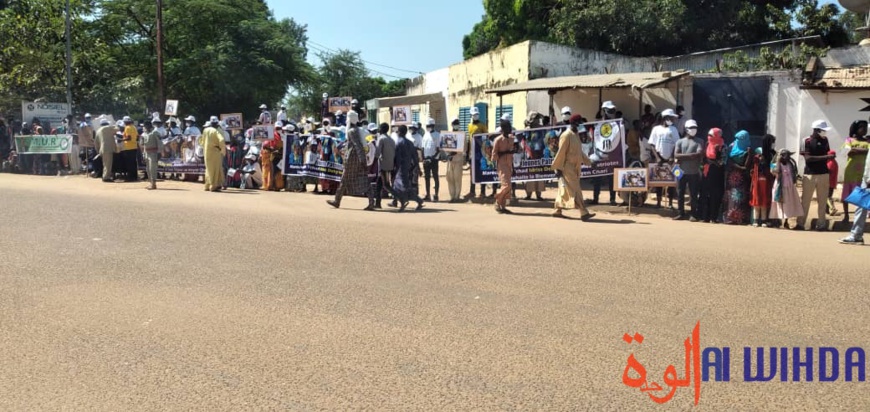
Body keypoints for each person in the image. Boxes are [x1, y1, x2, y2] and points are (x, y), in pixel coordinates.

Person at [327, 111, 375, 211]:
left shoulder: (351, 131)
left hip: (353, 158)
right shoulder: (357, 130)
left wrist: (362, 159)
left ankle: (337, 201)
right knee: (362, 178)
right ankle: (371, 203)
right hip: (357, 157)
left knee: (345, 179)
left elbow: (357, 145)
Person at [551, 114, 595, 221]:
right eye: (578, 123)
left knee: (564, 188)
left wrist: (589, 162)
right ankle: (583, 212)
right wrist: (557, 168)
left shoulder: (576, 135)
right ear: (572, 123)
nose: (579, 125)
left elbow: (580, 152)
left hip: (575, 167)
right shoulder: (566, 135)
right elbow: (561, 152)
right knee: (576, 189)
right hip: (567, 167)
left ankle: (558, 210)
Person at [797, 120, 834, 231]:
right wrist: (826, 157)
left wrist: (829, 158)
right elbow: (808, 159)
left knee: (822, 200)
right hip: (810, 174)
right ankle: (800, 223)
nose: (825, 133)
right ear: (817, 130)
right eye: (823, 131)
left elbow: (827, 153)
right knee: (805, 200)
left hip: (824, 173)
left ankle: (821, 224)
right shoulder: (806, 141)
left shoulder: (825, 140)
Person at [839, 139, 870, 245]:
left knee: (861, 208)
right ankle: (856, 235)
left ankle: (856, 235)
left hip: (868, 179)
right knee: (861, 207)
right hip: (866, 178)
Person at [649, 108, 680, 208]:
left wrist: (672, 156)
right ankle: (658, 202)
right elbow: (652, 145)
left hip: (670, 159)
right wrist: (657, 157)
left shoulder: (674, 129)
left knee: (671, 181)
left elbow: (676, 144)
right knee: (659, 181)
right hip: (659, 159)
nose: (672, 120)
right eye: (671, 118)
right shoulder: (656, 129)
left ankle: (670, 203)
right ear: (665, 118)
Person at [673, 119, 703, 221]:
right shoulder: (680, 142)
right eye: (691, 128)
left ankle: (693, 214)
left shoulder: (700, 141)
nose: (693, 130)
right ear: (686, 129)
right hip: (680, 172)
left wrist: (683, 156)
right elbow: (676, 155)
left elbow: (699, 154)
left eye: (695, 128)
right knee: (680, 193)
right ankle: (680, 213)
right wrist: (691, 155)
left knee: (693, 194)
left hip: (694, 172)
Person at [391, 124, 425, 212]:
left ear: (399, 132)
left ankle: (409, 202)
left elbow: (396, 157)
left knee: (402, 187)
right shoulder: (410, 143)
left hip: (400, 167)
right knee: (398, 186)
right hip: (407, 166)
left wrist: (394, 167)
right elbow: (415, 156)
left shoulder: (399, 142)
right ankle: (398, 201)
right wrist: (416, 167)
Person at [722, 130, 752, 225]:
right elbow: (729, 161)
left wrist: (749, 154)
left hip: (743, 178)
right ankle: (730, 217)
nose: (738, 140)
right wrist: (740, 167)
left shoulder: (748, 149)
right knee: (731, 196)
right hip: (732, 177)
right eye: (737, 138)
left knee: (740, 197)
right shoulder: (732, 146)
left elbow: (747, 165)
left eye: (741, 139)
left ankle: (741, 218)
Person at [842, 120, 869, 222]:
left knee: (864, 193)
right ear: (856, 128)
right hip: (851, 171)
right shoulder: (849, 140)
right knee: (847, 194)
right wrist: (864, 151)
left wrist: (856, 150)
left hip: (864, 171)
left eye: (866, 127)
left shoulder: (868, 141)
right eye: (862, 127)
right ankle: (846, 215)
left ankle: (863, 216)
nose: (864, 129)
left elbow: (855, 151)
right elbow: (849, 152)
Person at [591, 102, 617, 205]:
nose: (611, 113)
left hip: (611, 155)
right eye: (609, 110)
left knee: (612, 178)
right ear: (604, 111)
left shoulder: (617, 124)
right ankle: (595, 199)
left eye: (613, 111)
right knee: (597, 178)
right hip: (599, 154)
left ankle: (612, 199)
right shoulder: (597, 124)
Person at [769, 149, 803, 228]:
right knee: (779, 204)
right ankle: (777, 221)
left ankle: (786, 221)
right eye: (786, 155)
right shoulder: (775, 164)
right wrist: (778, 161)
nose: (788, 157)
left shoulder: (790, 164)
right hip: (780, 187)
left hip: (789, 187)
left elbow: (794, 173)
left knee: (788, 204)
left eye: (789, 155)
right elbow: (774, 171)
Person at [700, 128, 726, 223]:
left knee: (715, 196)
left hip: (717, 174)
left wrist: (717, 153)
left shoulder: (723, 146)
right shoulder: (707, 144)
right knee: (705, 194)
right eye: (709, 135)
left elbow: (721, 162)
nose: (709, 137)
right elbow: (704, 158)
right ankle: (705, 216)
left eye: (711, 136)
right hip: (707, 173)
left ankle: (713, 217)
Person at [749, 134, 776, 227]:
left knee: (765, 198)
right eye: (772, 142)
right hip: (758, 180)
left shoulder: (772, 153)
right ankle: (756, 220)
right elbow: (753, 167)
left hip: (768, 179)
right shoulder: (758, 155)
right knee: (757, 198)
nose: (773, 144)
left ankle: (764, 220)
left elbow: (773, 166)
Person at [491, 119, 515, 214]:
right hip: (502, 164)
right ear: (504, 129)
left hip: (509, 164)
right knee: (506, 185)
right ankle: (497, 200)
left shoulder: (512, 138)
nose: (510, 129)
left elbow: (514, 151)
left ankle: (503, 206)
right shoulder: (498, 140)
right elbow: (494, 154)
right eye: (508, 127)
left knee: (509, 187)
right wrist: (504, 153)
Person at [465, 107, 488, 200]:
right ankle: (472, 191)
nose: (475, 116)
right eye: (474, 114)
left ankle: (483, 192)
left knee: (482, 171)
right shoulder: (469, 125)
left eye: (476, 114)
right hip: (472, 153)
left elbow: (485, 138)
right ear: (471, 115)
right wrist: (467, 153)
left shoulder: (483, 125)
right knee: (472, 173)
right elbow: (469, 139)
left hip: (480, 153)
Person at [523, 111, 546, 201]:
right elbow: (524, 140)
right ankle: (528, 194)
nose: (537, 120)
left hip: (539, 154)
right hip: (530, 155)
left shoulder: (541, 129)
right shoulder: (527, 129)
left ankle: (538, 195)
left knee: (539, 174)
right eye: (535, 118)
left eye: (538, 118)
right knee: (530, 175)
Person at [199, 116, 226, 192]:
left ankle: (207, 185)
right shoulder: (216, 131)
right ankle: (213, 186)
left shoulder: (205, 130)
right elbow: (221, 139)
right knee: (215, 169)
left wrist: (205, 145)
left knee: (208, 168)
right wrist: (222, 149)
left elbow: (201, 140)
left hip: (207, 151)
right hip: (215, 151)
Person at [374, 122, 396, 209]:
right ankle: (396, 198)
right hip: (390, 164)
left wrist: (374, 163)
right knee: (384, 184)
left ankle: (378, 202)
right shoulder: (391, 139)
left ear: (381, 129)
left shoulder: (381, 139)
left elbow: (377, 153)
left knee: (382, 184)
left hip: (383, 165)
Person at [421, 118, 441, 202]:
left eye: (429, 126)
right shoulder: (425, 134)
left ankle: (436, 194)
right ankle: (427, 194)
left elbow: (438, 149)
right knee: (427, 177)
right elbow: (423, 147)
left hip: (434, 159)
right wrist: (423, 158)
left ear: (433, 126)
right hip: (426, 159)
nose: (428, 127)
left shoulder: (437, 135)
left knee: (435, 176)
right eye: (427, 126)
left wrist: (432, 158)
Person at [446, 117, 465, 203]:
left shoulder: (462, 134)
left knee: (457, 178)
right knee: (450, 178)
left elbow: (464, 148)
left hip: (458, 159)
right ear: (452, 125)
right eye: (455, 123)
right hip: (450, 160)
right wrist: (448, 154)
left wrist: (456, 153)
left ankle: (457, 196)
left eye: (457, 123)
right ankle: (452, 196)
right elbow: (445, 146)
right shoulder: (448, 134)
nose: (456, 125)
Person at [141, 118, 164, 190]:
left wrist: (159, 152)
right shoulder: (144, 134)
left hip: (154, 153)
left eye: (144, 126)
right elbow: (143, 145)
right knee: (148, 169)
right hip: (147, 153)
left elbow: (160, 143)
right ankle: (150, 183)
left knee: (152, 168)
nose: (144, 127)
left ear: (148, 126)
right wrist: (143, 154)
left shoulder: (155, 133)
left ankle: (154, 184)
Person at [94, 117, 117, 182]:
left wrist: (97, 150)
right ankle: (106, 177)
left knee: (105, 163)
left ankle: (105, 176)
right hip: (108, 149)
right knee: (108, 164)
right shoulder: (108, 128)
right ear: (106, 123)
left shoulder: (98, 131)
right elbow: (117, 128)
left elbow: (96, 142)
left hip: (102, 149)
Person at [119, 116, 139, 182]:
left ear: (125, 122)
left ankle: (130, 177)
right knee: (133, 163)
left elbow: (128, 138)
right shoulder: (134, 127)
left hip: (128, 147)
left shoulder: (127, 128)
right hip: (134, 147)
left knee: (129, 163)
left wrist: (121, 140)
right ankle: (135, 177)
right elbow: (137, 137)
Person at [826, 150, 839, 216]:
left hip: (829, 182)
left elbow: (829, 172)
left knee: (827, 196)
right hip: (832, 182)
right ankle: (827, 210)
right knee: (828, 196)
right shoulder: (833, 162)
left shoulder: (831, 163)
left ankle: (832, 208)